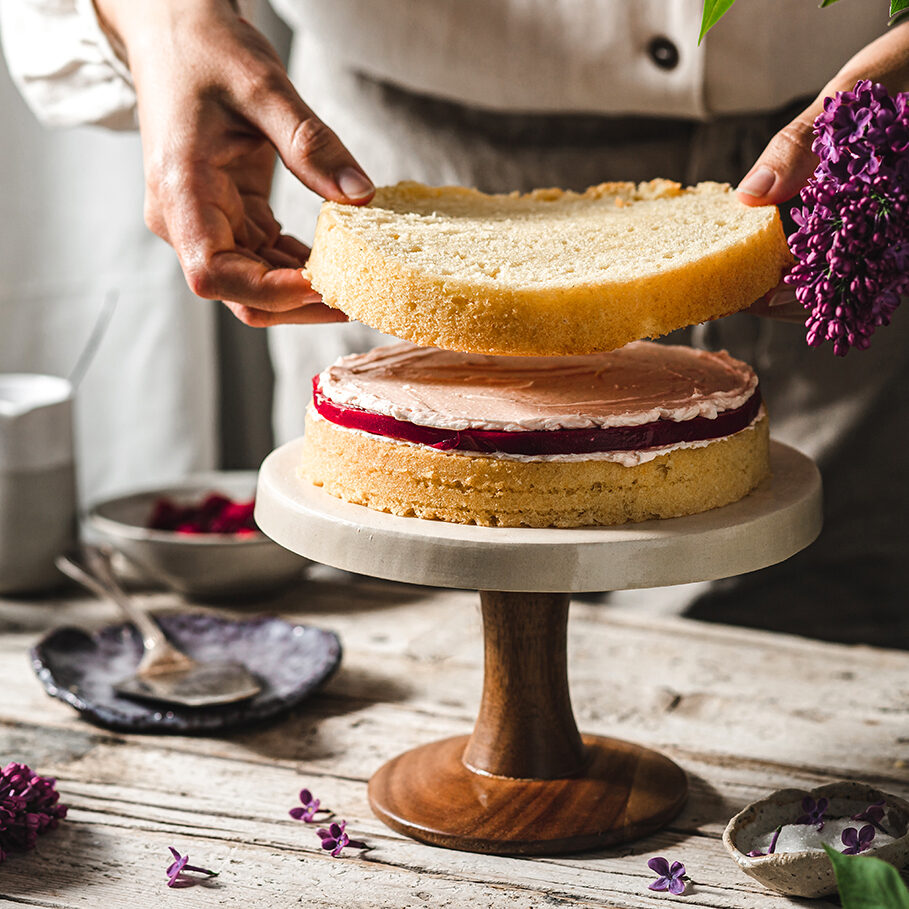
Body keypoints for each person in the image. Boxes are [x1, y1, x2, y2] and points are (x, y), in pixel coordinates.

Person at [4, 0, 908, 645]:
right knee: (410, 642)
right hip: (379, 175)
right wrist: (161, 20)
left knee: (826, 647)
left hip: (831, 178)